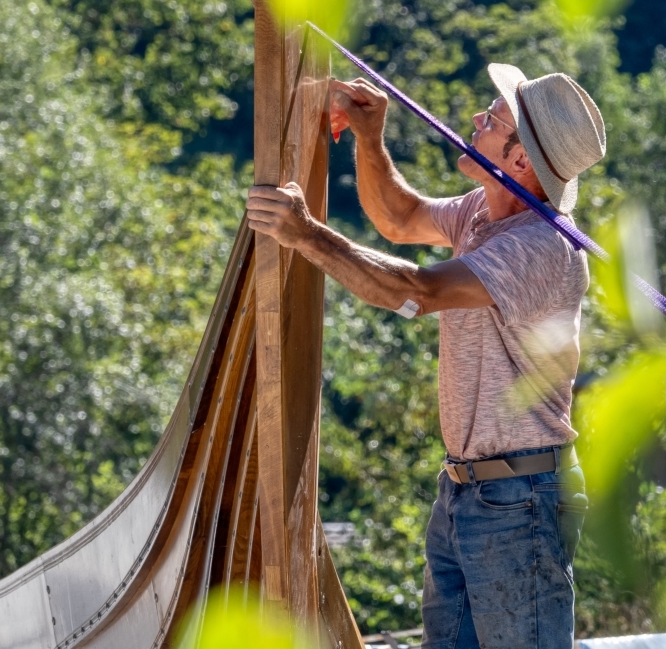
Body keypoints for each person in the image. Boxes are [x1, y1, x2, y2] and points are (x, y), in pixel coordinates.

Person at [246, 63, 606, 648]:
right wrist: (369, 139)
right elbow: (401, 219)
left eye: (493, 119)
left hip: (522, 497)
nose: (476, 119)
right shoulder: (482, 212)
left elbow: (418, 291)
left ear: (519, 162)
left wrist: (306, 235)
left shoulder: (543, 246)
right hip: (470, 490)